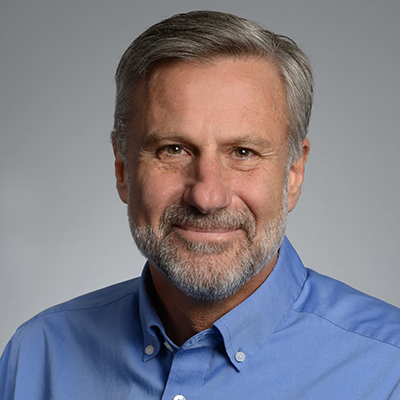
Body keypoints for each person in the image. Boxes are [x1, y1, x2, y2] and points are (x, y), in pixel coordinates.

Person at [1, 10, 400, 399]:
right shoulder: (37, 357)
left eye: (242, 152)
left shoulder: (388, 371)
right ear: (123, 168)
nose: (207, 197)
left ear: (293, 173)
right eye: (173, 149)